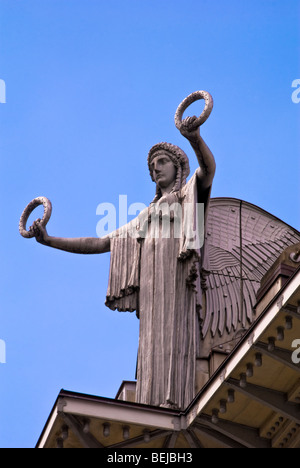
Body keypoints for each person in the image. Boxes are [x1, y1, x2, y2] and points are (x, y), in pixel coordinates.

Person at [32, 115, 215, 409]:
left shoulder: (186, 197)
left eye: (162, 162)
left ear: (178, 166)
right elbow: (101, 243)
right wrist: (50, 240)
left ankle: (177, 400)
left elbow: (208, 169)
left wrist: (193, 137)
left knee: (175, 341)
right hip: (153, 292)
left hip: (177, 282)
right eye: (151, 166)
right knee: (152, 343)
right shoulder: (144, 217)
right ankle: (152, 403)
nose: (155, 168)